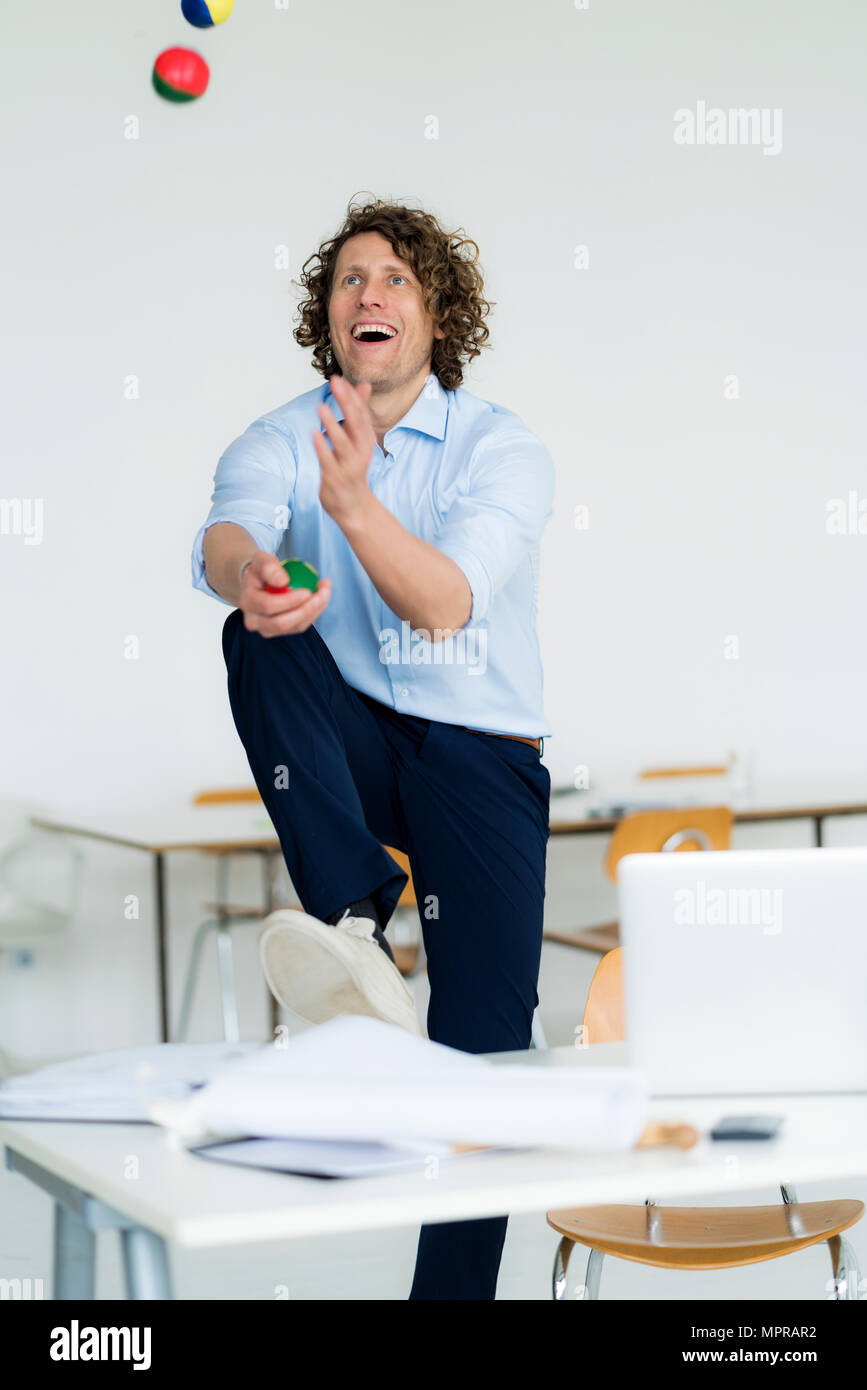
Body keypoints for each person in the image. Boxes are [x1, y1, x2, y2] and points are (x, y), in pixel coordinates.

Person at [191, 194, 555, 1299]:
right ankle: (355, 915)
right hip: (354, 741)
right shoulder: (280, 434)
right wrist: (250, 570)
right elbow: (226, 528)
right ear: (331, 317)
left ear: (436, 314)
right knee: (254, 630)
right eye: (352, 278)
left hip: (482, 759)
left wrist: (353, 510)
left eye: (397, 277)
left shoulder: (506, 451)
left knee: (483, 1059)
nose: (372, 294)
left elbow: (444, 604)